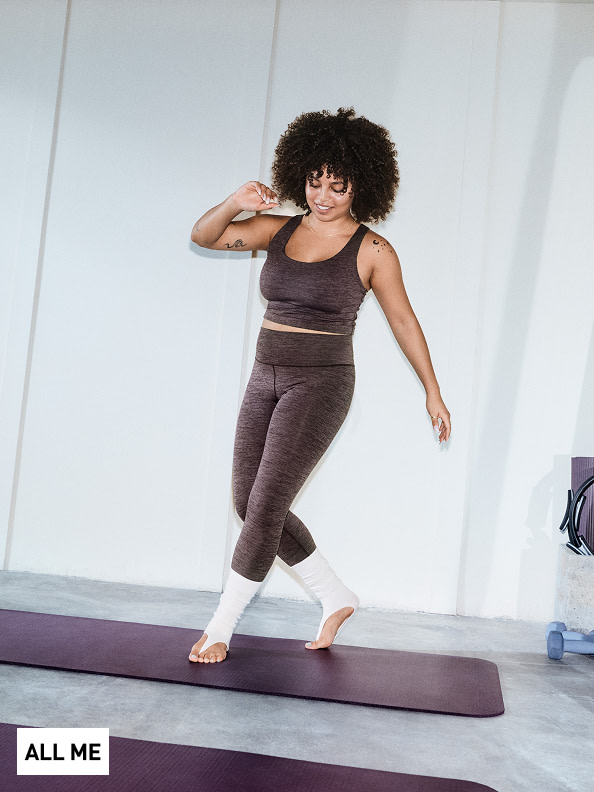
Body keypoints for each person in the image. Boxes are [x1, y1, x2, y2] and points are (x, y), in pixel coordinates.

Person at [188, 108, 451, 664]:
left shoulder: (372, 250)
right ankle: (335, 595)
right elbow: (204, 235)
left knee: (264, 508)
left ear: (362, 187)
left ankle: (219, 627)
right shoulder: (278, 228)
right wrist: (237, 200)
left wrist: (432, 389)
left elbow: (404, 321)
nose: (323, 195)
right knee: (248, 502)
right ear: (299, 176)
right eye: (315, 182)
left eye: (339, 185)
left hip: (322, 383)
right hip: (266, 374)